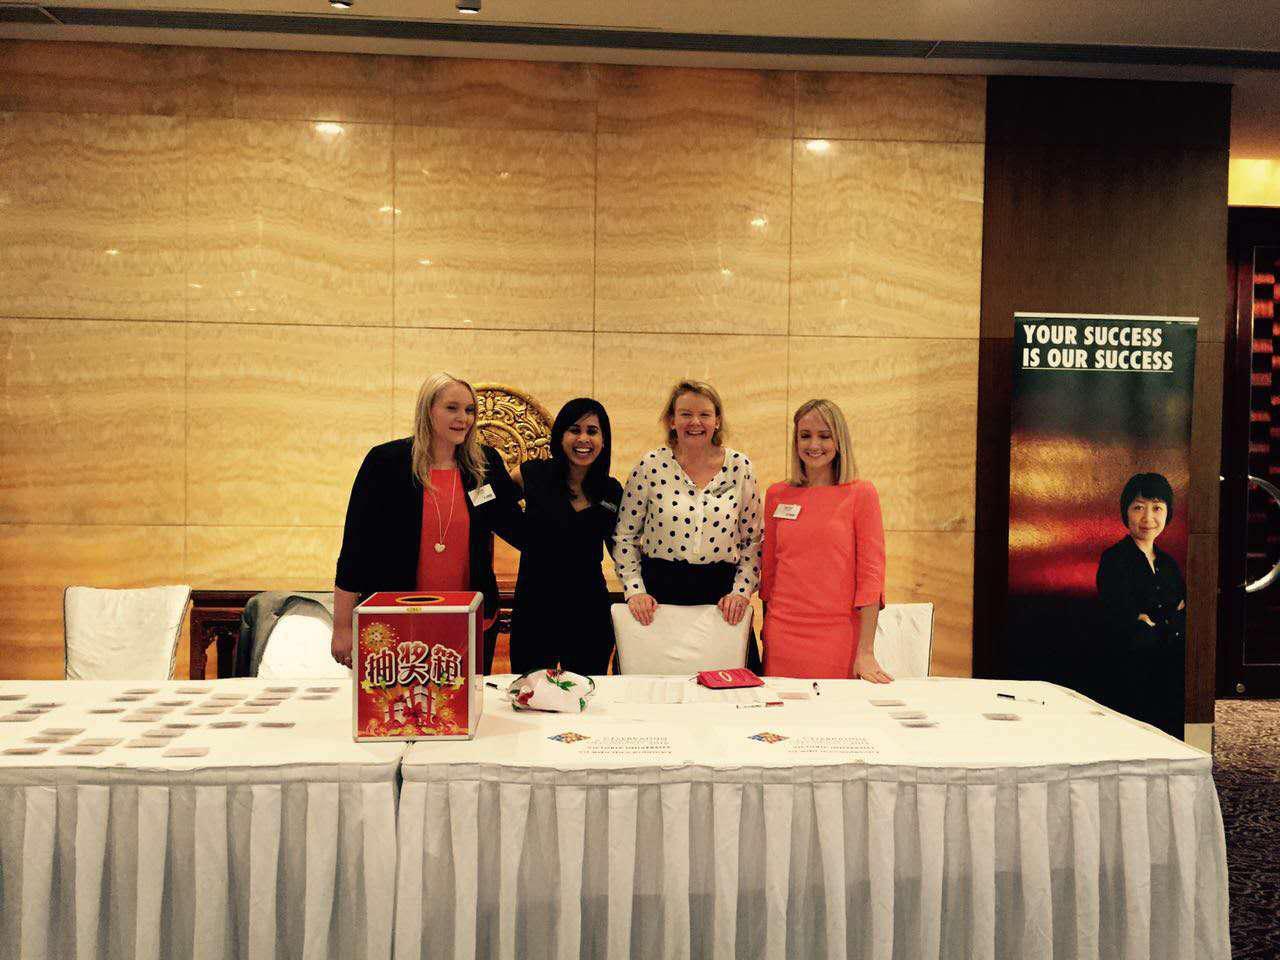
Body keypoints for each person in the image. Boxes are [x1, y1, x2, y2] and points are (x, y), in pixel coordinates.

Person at [331, 372, 522, 674]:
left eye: (470, 410)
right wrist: (342, 627)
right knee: (399, 702)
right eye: (452, 408)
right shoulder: (385, 462)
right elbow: (355, 547)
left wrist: (540, 477)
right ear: (428, 410)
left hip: (470, 621)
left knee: (463, 704)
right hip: (398, 620)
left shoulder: (484, 464)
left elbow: (513, 524)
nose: (463, 418)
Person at [614, 379, 763, 669]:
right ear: (672, 420)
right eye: (686, 414)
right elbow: (624, 536)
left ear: (717, 421)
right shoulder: (650, 465)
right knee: (654, 682)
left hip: (720, 597)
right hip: (658, 594)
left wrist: (741, 592)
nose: (695, 422)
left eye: (704, 414)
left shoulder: (739, 467)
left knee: (729, 686)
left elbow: (753, 540)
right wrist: (635, 589)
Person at [759, 399, 891, 681]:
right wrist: (766, 631)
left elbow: (871, 578)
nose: (814, 444)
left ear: (839, 440)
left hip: (838, 635)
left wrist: (866, 651)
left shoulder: (861, 494)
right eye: (805, 436)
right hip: (782, 634)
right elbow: (769, 572)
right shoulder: (777, 494)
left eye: (824, 436)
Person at [509, 398, 623, 676]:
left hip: (588, 610)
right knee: (531, 692)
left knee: (588, 692)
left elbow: (620, 547)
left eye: (592, 431)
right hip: (535, 608)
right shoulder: (532, 474)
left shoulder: (611, 490)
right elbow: (495, 508)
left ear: (604, 441)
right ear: (560, 436)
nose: (583, 438)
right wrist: (526, 539)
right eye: (574, 430)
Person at [1095, 472, 1186, 738]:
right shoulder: (1114, 559)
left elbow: (1183, 613)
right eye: (1138, 507)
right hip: (1128, 670)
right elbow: (1124, 620)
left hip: (1170, 669)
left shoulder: (1169, 564)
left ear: (1167, 513)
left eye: (1157, 508)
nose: (1148, 518)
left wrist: (1151, 620)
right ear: (1126, 512)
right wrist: (1159, 622)